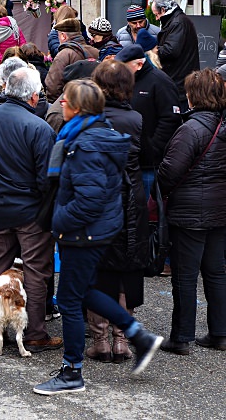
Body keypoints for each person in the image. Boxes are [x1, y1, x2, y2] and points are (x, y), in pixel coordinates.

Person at [34, 79, 163, 395]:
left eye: (65, 101)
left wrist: (57, 222)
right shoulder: (90, 134)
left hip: (84, 234)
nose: (60, 104)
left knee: (68, 298)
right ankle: (139, 335)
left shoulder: (86, 143)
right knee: (83, 291)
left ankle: (72, 372)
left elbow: (89, 199)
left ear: (77, 108)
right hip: (95, 231)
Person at [0, 67, 62, 353]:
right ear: (34, 96)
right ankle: (34, 333)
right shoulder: (39, 128)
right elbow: (46, 178)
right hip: (31, 211)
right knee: (36, 271)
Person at [83, 61, 150, 362]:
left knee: (98, 268)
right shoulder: (135, 117)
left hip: (99, 196)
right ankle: (122, 339)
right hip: (131, 196)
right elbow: (148, 154)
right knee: (127, 267)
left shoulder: (90, 118)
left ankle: (100, 339)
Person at [156, 69, 226, 355]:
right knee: (216, 271)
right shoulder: (222, 125)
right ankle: (220, 333)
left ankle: (182, 336)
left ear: (194, 96)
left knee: (185, 275)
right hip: (220, 209)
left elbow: (169, 171)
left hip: (188, 211)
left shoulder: (191, 129)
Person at [119, 43, 181, 200]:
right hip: (131, 160)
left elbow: (170, 119)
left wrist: (152, 149)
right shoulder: (127, 81)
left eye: (124, 67)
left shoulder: (160, 82)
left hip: (149, 164)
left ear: (139, 64)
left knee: (147, 210)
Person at [152, 0, 200, 109]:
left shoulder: (177, 23)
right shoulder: (177, 20)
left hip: (178, 79)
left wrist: (155, 50)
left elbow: (171, 50)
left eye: (156, 14)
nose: (157, 18)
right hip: (180, 78)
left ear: (163, 10)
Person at [45, 17, 100, 101]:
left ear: (63, 36)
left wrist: (61, 105)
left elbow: (53, 86)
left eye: (58, 35)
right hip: (94, 102)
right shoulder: (96, 52)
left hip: (71, 104)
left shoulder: (63, 55)